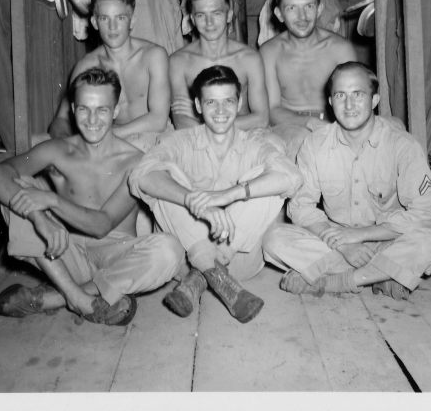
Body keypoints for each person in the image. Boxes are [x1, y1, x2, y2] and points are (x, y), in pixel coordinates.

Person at [0, 68, 184, 325]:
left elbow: (101, 225)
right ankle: (82, 297)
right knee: (17, 195)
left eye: (102, 109)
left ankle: (59, 296)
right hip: (66, 252)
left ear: (114, 111)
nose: (92, 119)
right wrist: (39, 218)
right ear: (72, 109)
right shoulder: (58, 150)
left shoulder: (134, 161)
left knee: (169, 250)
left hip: (118, 258)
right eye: (84, 109)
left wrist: (53, 200)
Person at [262, 62, 431, 300]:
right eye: (340, 95)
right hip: (336, 240)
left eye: (358, 95)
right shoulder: (315, 144)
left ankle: (342, 281)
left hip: (388, 238)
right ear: (331, 102)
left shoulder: (402, 145)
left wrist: (361, 236)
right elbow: (301, 208)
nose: (349, 105)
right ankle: (384, 276)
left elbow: (426, 214)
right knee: (273, 239)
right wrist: (345, 245)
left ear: (374, 101)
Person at [129, 66, 303, 323]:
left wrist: (229, 194)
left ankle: (203, 275)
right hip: (185, 259)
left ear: (239, 103)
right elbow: (140, 176)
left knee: (269, 181)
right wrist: (192, 200)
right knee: (165, 176)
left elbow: (293, 177)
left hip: (240, 260)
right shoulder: (180, 140)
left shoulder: (253, 144)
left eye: (228, 102)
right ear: (198, 105)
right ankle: (215, 275)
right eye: (212, 102)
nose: (221, 112)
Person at [48, 0, 172, 153]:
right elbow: (62, 118)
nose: (113, 27)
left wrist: (104, 137)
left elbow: (158, 120)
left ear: (132, 21)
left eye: (120, 18)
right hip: (104, 140)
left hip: (152, 136)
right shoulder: (86, 66)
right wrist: (65, 144)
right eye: (105, 19)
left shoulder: (153, 56)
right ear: (94, 22)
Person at [260, 0, 358, 160]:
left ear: (319, 9)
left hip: (335, 123)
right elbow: (271, 111)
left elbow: (356, 101)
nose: (302, 16)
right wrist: (309, 122)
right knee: (303, 140)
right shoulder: (269, 52)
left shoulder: (340, 48)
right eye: (292, 8)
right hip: (289, 127)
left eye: (309, 6)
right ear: (279, 14)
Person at [169, 0, 271, 133]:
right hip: (198, 138)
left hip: (244, 134)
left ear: (229, 15)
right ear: (192, 19)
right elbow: (181, 123)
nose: (209, 23)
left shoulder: (249, 58)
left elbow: (261, 119)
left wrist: (202, 120)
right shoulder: (178, 62)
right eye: (201, 15)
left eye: (216, 14)